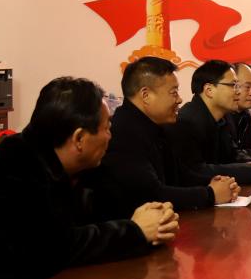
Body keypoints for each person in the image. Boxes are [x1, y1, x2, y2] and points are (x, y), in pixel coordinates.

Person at [0, 77, 179, 279]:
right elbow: (52, 250)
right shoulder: (13, 167)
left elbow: (97, 213)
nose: (110, 136)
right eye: (107, 128)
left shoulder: (68, 164)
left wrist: (151, 218)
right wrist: (134, 231)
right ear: (79, 139)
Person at [97, 56, 239, 216]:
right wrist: (210, 194)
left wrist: (216, 183)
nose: (179, 99)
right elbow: (152, 195)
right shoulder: (123, 132)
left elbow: (180, 174)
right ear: (146, 95)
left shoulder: (158, 126)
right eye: (174, 92)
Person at [171, 60, 251, 186]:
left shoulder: (221, 119)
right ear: (209, 90)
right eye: (233, 85)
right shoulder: (187, 122)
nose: (238, 91)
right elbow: (196, 171)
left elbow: (231, 156)